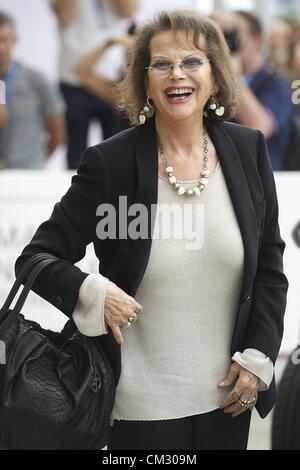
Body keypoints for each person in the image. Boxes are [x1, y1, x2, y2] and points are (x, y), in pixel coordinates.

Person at [15, 10, 288, 450]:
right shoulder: (111, 163)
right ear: (145, 82)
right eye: (161, 64)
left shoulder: (247, 149)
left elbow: (269, 270)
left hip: (229, 400)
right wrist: (91, 291)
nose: (176, 74)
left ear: (216, 77)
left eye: (192, 62)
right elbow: (34, 259)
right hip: (137, 409)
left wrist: (259, 355)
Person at [51, 0, 139, 168]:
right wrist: (109, 43)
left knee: (116, 149)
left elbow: (129, 10)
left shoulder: (151, 84)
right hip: (74, 81)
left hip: (140, 172)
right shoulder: (121, 91)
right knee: (81, 151)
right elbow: (65, 16)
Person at [0, 11, 66, 169]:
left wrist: (38, 162)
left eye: (3, 39)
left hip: (27, 172)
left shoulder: (37, 80)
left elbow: (57, 134)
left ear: (14, 40)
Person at [232, 11, 294, 171]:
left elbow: (260, 127)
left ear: (257, 42)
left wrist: (234, 78)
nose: (229, 43)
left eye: (236, 36)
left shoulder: (276, 83)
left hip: (264, 181)